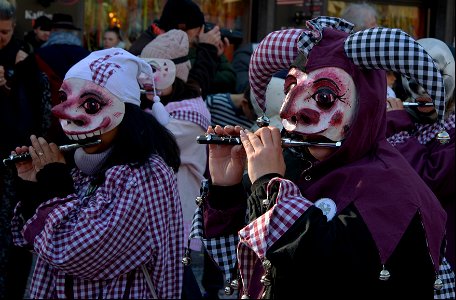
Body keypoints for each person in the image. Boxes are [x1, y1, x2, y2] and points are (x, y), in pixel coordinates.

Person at [191, 17, 453, 299]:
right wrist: (225, 189)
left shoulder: (392, 190)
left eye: (325, 96)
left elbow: (317, 276)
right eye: (292, 87)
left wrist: (268, 186)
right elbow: (244, 266)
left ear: (364, 106)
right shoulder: (295, 163)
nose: (292, 110)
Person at [9, 48, 184, 299]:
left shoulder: (144, 175)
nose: (67, 115)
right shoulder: (84, 166)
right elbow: (36, 244)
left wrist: (53, 180)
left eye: (91, 104)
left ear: (126, 112)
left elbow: (74, 251)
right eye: (64, 99)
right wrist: (32, 187)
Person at [140, 29, 211, 299]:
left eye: (154, 69)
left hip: (175, 215)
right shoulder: (154, 109)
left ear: (176, 72)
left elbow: (150, 144)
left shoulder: (189, 115)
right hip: (158, 216)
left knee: (178, 283)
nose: (146, 78)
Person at [386, 38, 455, 276]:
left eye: (435, 76)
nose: (423, 90)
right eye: (414, 77)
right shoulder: (413, 121)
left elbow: (429, 180)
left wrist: (396, 128)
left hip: (443, 257)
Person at [129, 0, 236, 97]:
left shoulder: (157, 42)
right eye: (199, 29)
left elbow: (229, 80)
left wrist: (215, 54)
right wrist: (208, 49)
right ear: (181, 32)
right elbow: (193, 90)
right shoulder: (156, 54)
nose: (201, 34)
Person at [0, 1, 32, 299]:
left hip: (12, 164)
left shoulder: (23, 60)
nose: (1, 37)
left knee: (11, 238)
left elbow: (30, 118)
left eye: (5, 32)